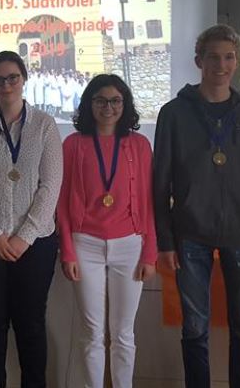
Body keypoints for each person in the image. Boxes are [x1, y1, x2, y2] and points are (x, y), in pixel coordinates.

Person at [152, 24, 240, 388]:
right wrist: (165, 241)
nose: (221, 65)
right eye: (213, 57)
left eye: (228, 57)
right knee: (194, 329)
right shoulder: (173, 113)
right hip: (190, 235)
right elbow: (160, 184)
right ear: (199, 61)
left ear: (237, 62)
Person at [0, 50, 63, 388]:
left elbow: (51, 185)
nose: (6, 85)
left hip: (35, 244)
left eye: (13, 78)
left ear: (24, 79)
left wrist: (24, 237)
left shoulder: (44, 125)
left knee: (31, 324)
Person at [57, 74, 157, 388]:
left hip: (130, 246)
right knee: (92, 333)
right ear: (89, 104)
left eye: (115, 101)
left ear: (125, 105)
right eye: (100, 100)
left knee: (123, 333)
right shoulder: (73, 145)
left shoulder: (140, 145)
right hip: (85, 244)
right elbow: (62, 202)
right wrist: (67, 250)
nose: (108, 107)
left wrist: (150, 253)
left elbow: (149, 201)